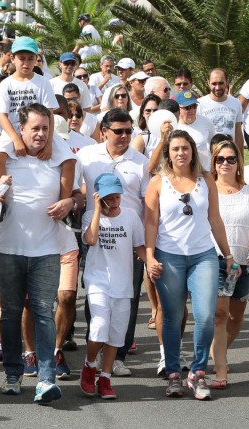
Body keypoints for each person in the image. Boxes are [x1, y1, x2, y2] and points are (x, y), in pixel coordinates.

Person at [0, 104, 75, 404]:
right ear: (21, 129)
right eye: (34, 128)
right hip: (9, 249)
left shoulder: (61, 153)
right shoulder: (4, 151)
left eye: (45, 128)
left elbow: (72, 194)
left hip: (47, 250)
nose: (40, 134)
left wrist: (69, 204)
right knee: (11, 313)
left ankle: (46, 378)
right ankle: (13, 374)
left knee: (43, 313)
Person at [144, 130, 236, 400]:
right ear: (168, 154)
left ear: (193, 151)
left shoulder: (206, 179)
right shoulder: (158, 182)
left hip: (203, 255)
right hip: (168, 255)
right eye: (175, 149)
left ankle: (197, 373)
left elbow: (215, 219)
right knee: (172, 318)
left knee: (206, 316)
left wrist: (228, 254)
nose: (181, 153)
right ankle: (173, 374)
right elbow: (150, 222)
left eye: (185, 148)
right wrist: (150, 257)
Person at [75, 109, 150, 377]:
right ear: (103, 131)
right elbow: (76, 191)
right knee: (96, 301)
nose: (124, 136)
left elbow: (147, 203)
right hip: (96, 231)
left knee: (126, 298)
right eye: (118, 131)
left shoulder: (141, 161)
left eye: (129, 131)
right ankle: (92, 356)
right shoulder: (86, 156)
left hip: (130, 235)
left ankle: (117, 357)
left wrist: (147, 246)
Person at [80, 173, 146, 400]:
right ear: (99, 197)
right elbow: (90, 240)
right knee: (99, 326)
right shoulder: (90, 215)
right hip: (97, 280)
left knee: (116, 335)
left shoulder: (131, 216)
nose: (116, 200)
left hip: (122, 283)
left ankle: (105, 378)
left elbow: (139, 247)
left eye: (118, 195)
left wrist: (152, 263)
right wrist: (98, 209)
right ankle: (89, 367)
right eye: (110, 196)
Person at [208, 139, 249, 389]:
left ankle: (216, 350)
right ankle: (221, 371)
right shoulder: (208, 189)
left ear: (238, 163)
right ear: (214, 162)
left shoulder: (247, 192)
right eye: (220, 159)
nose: (225, 163)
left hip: (244, 262)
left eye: (231, 159)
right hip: (217, 261)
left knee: (236, 318)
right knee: (220, 315)